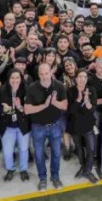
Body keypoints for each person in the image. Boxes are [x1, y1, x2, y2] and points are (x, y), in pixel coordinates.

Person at [25, 63, 68, 191]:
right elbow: (27, 110)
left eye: (46, 73)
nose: (44, 76)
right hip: (38, 127)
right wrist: (44, 105)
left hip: (55, 126)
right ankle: (42, 178)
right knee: (39, 155)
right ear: (38, 74)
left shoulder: (59, 86)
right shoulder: (32, 88)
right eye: (41, 73)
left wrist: (54, 102)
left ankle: (55, 177)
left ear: (51, 73)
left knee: (56, 153)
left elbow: (65, 106)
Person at [68, 69, 99, 184]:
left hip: (88, 124)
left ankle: (87, 171)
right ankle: (83, 167)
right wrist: (78, 100)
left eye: (84, 77)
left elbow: (92, 109)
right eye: (80, 77)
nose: (82, 79)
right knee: (79, 148)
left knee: (91, 150)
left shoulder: (91, 90)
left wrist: (87, 102)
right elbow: (70, 110)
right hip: (75, 125)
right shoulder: (70, 91)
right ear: (75, 79)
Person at [0, 69, 31, 183]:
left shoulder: (27, 90)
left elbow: (29, 110)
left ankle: (23, 170)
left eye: (17, 78)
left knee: (23, 149)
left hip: (22, 125)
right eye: (12, 78)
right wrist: (3, 110)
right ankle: (10, 169)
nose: (15, 80)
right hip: (7, 126)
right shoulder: (2, 90)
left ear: (21, 78)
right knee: (7, 151)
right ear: (8, 79)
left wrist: (19, 107)